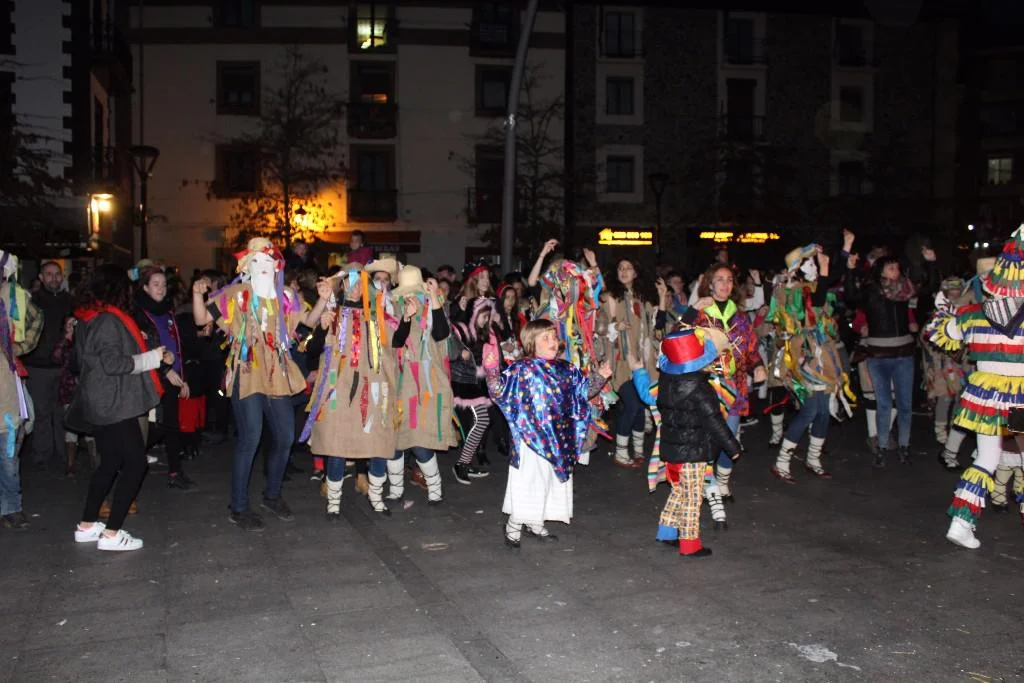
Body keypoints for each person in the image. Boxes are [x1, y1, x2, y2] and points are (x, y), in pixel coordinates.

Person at [192, 238, 329, 531]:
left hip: (277, 372)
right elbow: (201, 318)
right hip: (247, 371)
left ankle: (272, 495)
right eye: (258, 261)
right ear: (247, 266)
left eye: (269, 261)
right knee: (250, 438)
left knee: (285, 436)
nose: (264, 266)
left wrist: (322, 299)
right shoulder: (234, 294)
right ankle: (239, 507)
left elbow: (307, 322)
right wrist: (196, 294)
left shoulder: (286, 296)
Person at [928, 225, 1024, 549]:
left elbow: (939, 333)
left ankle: (961, 523)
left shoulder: (973, 315)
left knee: (986, 458)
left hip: (986, 397)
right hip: (1019, 400)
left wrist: (943, 309)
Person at [483, 319, 611, 548]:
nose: (553, 341)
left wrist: (599, 376)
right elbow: (499, 391)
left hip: (559, 439)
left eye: (554, 336)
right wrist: (492, 370)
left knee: (549, 481)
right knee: (530, 481)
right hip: (531, 438)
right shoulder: (522, 369)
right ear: (532, 343)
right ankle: (514, 524)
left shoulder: (566, 369)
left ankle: (535, 521)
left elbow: (583, 392)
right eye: (546, 338)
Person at [68, 265, 170, 551]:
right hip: (114, 402)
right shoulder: (108, 320)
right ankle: (112, 533)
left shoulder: (88, 317)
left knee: (111, 462)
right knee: (136, 463)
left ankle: (87, 525)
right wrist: (151, 358)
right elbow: (113, 364)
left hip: (101, 401)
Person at [631, 327, 742, 557]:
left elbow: (650, 397)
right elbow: (714, 421)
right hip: (693, 451)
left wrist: (639, 372)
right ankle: (690, 544)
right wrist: (732, 446)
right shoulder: (701, 389)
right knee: (692, 497)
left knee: (679, 491)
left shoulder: (666, 383)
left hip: (671, 450)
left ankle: (666, 531)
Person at [301, 263, 398, 518]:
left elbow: (396, 344)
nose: (355, 288)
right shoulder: (333, 313)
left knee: (377, 441)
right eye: (350, 282)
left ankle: (376, 497)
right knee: (337, 443)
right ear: (342, 285)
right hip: (338, 389)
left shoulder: (377, 315)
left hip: (373, 388)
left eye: (360, 283)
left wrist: (407, 319)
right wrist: (322, 328)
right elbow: (312, 350)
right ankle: (333, 501)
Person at [767, 241, 852, 483]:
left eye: (816, 263)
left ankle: (813, 459)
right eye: (811, 263)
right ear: (798, 267)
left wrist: (846, 248)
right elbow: (814, 303)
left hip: (822, 354)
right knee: (811, 410)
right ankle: (781, 461)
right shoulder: (789, 289)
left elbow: (832, 277)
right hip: (804, 355)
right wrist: (824, 271)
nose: (816, 267)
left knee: (823, 412)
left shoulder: (813, 285)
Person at [846, 246, 936, 467]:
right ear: (881, 271)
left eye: (897, 267)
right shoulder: (871, 292)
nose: (896, 271)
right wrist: (849, 269)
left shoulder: (905, 290)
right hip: (878, 355)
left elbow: (930, 287)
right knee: (884, 404)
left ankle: (904, 446)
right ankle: (882, 447)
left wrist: (931, 263)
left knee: (905, 405)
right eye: (891, 268)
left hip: (903, 354)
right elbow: (850, 296)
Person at [387, 266, 457, 504]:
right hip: (400, 382)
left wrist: (434, 298)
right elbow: (396, 342)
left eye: (414, 292)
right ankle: (395, 489)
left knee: (420, 439)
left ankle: (435, 487)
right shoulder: (393, 308)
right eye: (406, 293)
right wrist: (406, 318)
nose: (410, 297)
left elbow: (441, 334)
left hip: (428, 384)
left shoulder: (432, 307)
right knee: (396, 440)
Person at [134, 267, 194, 490]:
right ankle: (126, 457)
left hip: (172, 376)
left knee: (170, 425)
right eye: (155, 284)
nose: (161, 288)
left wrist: (182, 377)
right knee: (155, 426)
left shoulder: (168, 312)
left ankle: (175, 471)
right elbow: (142, 347)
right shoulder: (139, 314)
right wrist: (164, 370)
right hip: (152, 375)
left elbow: (175, 345)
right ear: (145, 287)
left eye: (163, 284)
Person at [0, 250, 42, 530]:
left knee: (8, 457)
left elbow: (36, 319)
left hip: (5, 391)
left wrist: (18, 347)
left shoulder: (12, 298)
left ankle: (12, 508)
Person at [603, 257, 657, 469]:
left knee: (639, 405)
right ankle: (621, 452)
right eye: (620, 268)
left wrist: (662, 298)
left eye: (629, 268)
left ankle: (639, 450)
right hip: (621, 361)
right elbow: (600, 328)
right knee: (633, 404)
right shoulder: (610, 297)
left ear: (635, 273)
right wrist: (615, 327)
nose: (624, 271)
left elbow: (653, 327)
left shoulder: (644, 299)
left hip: (642, 361)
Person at [23, 261, 72, 470]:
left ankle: (62, 452)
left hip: (62, 366)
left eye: (56, 274)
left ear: (62, 277)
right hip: (37, 366)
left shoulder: (69, 301)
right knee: (41, 412)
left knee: (61, 412)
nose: (53, 278)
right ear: (41, 278)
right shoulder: (32, 301)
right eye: (48, 274)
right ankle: (43, 453)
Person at [450, 297, 498, 483]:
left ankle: (465, 462)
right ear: (473, 314)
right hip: (463, 382)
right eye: (483, 316)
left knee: (481, 421)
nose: (485, 320)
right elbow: (449, 342)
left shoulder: (485, 333)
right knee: (482, 420)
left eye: (487, 317)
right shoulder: (460, 329)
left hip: (476, 383)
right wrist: (460, 352)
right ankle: (461, 464)